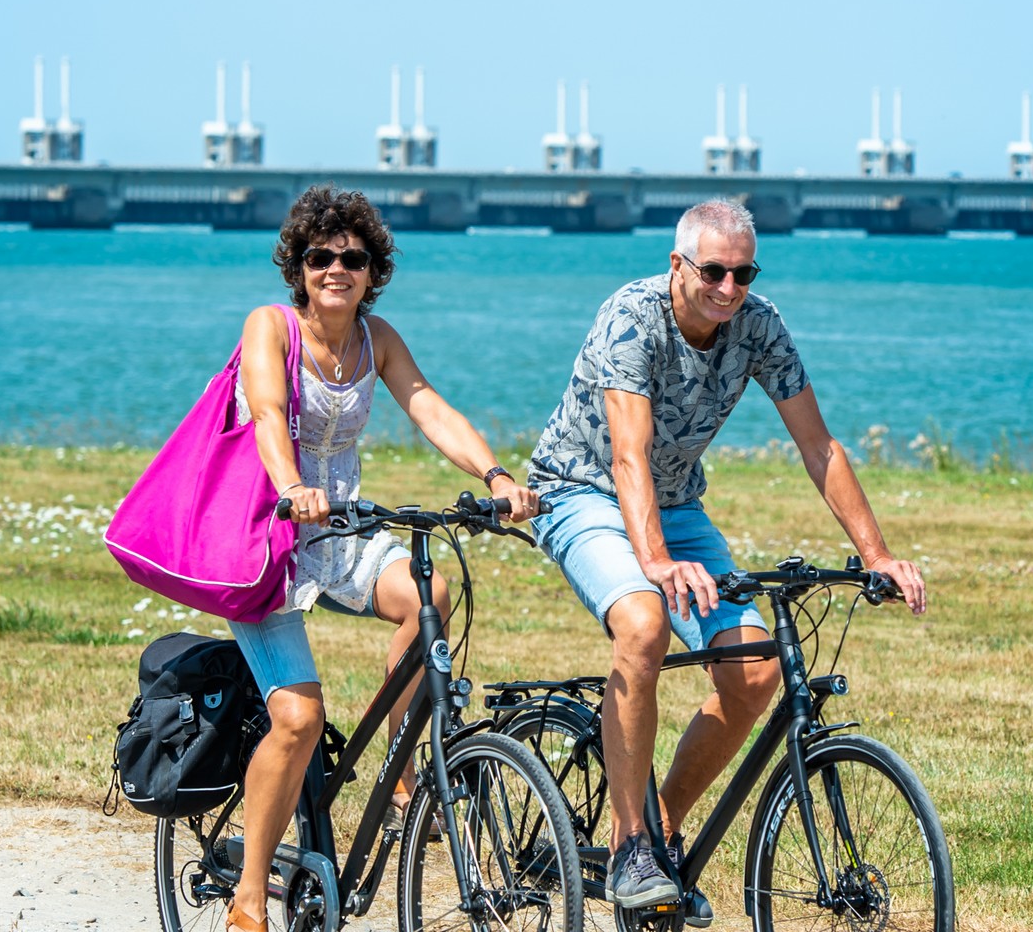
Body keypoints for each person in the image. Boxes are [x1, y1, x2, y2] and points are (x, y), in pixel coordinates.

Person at [527, 197, 927, 924]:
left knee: (756, 671)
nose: (729, 288)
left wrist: (879, 555)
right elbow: (627, 454)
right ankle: (627, 847)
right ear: (678, 264)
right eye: (714, 271)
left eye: (743, 273)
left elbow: (820, 446)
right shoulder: (631, 316)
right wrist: (654, 562)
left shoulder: (759, 324)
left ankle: (661, 834)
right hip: (579, 492)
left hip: (674, 503)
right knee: (643, 625)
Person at [224, 184, 540, 932]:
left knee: (428, 601)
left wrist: (494, 476)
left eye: (353, 258)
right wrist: (293, 485)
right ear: (299, 266)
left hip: (345, 531)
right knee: (298, 721)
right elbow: (268, 413)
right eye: (321, 257)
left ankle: (398, 768)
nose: (337, 268)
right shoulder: (270, 328)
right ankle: (248, 894)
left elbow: (426, 404)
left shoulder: (379, 339)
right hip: (269, 537)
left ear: (373, 269)